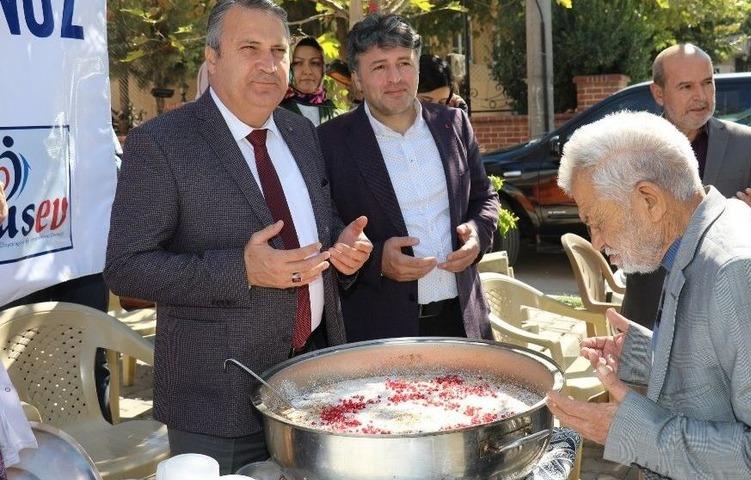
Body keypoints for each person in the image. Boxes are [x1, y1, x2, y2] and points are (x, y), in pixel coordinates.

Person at [104, 0, 371, 473]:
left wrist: (341, 249)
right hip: (216, 400)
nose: (269, 64)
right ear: (213, 58)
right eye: (250, 48)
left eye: (278, 50)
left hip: (311, 379)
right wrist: (240, 269)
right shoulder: (162, 143)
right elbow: (127, 271)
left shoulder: (300, 133)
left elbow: (318, 228)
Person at [547, 110, 751, 479]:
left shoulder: (739, 270)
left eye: (596, 221)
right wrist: (648, 352)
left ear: (649, 199)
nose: (597, 241)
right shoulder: (708, 231)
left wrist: (633, 432)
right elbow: (729, 367)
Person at [317, 14, 499, 341]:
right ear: (357, 79)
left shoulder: (454, 125)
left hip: (463, 321)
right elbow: (322, 225)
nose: (395, 78)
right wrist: (376, 261)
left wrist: (476, 235)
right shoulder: (328, 142)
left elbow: (484, 198)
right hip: (381, 330)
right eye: (379, 67)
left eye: (404, 63)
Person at [620, 43, 751, 329]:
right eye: (686, 87)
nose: (701, 96)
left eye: (708, 83)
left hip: (728, 312)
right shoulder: (631, 149)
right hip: (651, 311)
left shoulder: (744, 142)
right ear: (658, 93)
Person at [279, 37, 341, 126]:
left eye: (315, 63)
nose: (307, 71)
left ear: (323, 69)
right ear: (288, 67)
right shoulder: (274, 112)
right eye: (298, 63)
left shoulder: (337, 114)